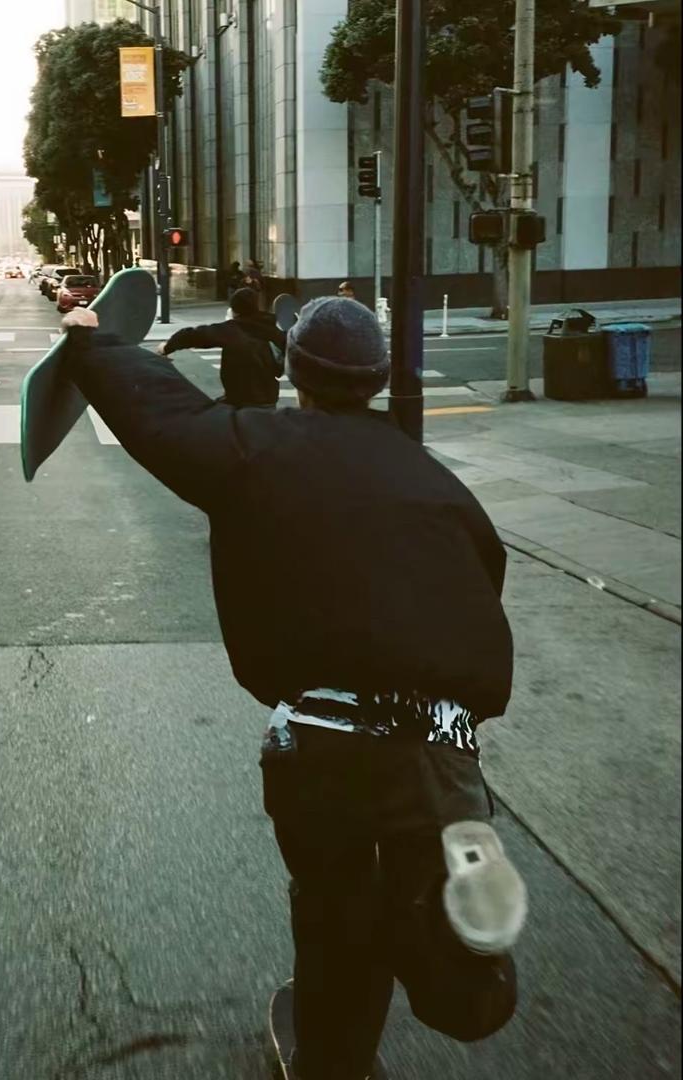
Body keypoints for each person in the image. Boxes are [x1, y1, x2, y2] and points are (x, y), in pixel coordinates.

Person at [59, 296, 526, 1080]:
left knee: (335, 905)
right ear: (377, 380)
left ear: (294, 373)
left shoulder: (255, 446)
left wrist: (89, 341)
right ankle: (449, 951)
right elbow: (487, 580)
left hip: (324, 738)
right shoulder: (433, 478)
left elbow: (158, 413)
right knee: (411, 881)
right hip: (440, 746)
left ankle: (340, 1051)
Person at [160, 287, 285, 408]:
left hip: (240, 402)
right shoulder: (273, 330)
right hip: (268, 401)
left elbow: (194, 335)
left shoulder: (232, 330)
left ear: (234, 310)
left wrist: (167, 347)